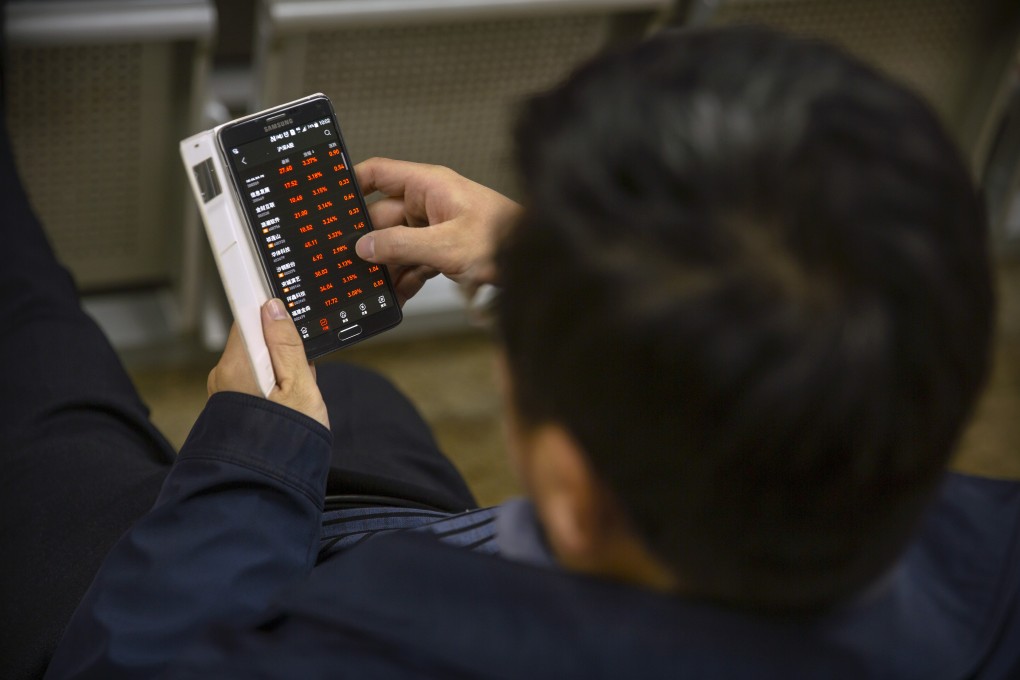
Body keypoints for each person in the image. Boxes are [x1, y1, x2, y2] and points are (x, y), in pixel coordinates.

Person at [1, 25, 1017, 679]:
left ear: (573, 491)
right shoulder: (988, 557)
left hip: (199, 606)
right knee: (354, 389)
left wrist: (241, 473)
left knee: (35, 341)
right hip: (432, 551)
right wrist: (570, 261)